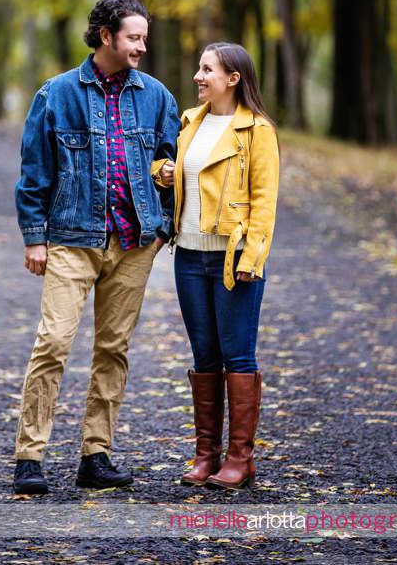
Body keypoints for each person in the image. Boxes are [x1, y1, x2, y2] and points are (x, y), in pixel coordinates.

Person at [13, 0, 180, 495]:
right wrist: (35, 237)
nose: (142, 47)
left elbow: (174, 166)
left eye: (144, 38)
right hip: (71, 239)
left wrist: (163, 225)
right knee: (54, 342)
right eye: (134, 37)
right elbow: (35, 172)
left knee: (114, 348)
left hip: (134, 245)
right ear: (106, 36)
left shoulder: (157, 98)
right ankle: (29, 457)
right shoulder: (56, 94)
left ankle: (96, 454)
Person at [155, 42, 279, 490]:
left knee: (237, 355)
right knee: (204, 355)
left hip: (232, 257)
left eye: (207, 70)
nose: (197, 77)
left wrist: (253, 257)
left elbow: (264, 201)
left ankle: (240, 458)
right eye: (198, 68)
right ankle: (205, 454)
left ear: (233, 78)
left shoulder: (256, 131)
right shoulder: (191, 122)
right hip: (188, 255)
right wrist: (163, 172)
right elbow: (171, 168)